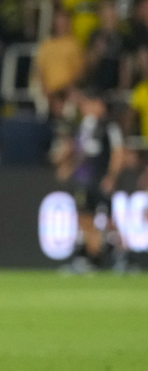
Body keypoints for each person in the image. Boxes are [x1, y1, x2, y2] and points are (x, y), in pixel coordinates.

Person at [53, 92, 124, 272]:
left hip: (100, 180)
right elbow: (78, 152)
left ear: (100, 105)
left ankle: (123, 256)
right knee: (84, 219)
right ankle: (93, 259)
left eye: (91, 103)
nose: (86, 107)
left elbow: (117, 153)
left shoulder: (108, 127)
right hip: (83, 180)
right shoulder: (82, 127)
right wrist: (67, 167)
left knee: (109, 221)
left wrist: (111, 176)